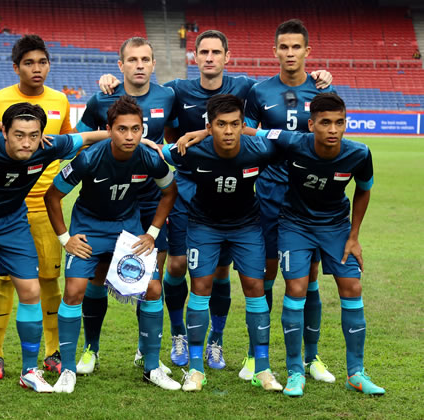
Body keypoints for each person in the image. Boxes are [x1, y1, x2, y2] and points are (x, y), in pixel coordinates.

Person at [102, 29, 332, 374]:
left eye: (216, 52)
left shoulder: (246, 88)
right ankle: (179, 333)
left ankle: (217, 340)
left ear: (227, 56)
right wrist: (110, 81)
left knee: (224, 271)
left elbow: (256, 116)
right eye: (203, 52)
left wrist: (319, 74)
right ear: (194, 57)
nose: (209, 58)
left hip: (235, 192)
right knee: (179, 266)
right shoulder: (177, 91)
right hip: (187, 188)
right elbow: (138, 95)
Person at [0, 103, 108, 398]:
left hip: (12, 223)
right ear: (4, 131)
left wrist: (140, 140)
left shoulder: (49, 147)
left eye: (34, 135)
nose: (27, 142)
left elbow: (89, 138)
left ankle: (30, 371)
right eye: (18, 135)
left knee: (31, 291)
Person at [253, 92, 384, 397]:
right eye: (325, 123)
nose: (333, 129)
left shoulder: (359, 154)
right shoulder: (292, 142)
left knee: (352, 287)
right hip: (295, 225)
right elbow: (252, 132)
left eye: (339, 122)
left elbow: (363, 191)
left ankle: (356, 373)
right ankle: (296, 371)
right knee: (296, 289)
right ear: (311, 125)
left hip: (336, 228)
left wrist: (354, 237)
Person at [46, 96, 179, 393]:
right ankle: (68, 369)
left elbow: (170, 192)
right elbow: (52, 196)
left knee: (154, 288)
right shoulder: (89, 158)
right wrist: (66, 239)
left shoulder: (149, 158)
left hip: (127, 230)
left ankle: (152, 366)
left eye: (136, 129)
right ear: (109, 129)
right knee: (74, 289)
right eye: (122, 129)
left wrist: (152, 233)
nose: (130, 136)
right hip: (89, 228)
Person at [162, 94, 283, 393]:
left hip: (247, 227)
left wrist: (237, 130)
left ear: (243, 125)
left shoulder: (260, 149)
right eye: (220, 125)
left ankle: (262, 368)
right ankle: (195, 369)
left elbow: (287, 141)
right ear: (209, 125)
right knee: (200, 289)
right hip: (204, 226)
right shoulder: (190, 150)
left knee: (256, 290)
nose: (228, 131)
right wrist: (198, 135)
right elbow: (157, 154)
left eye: (234, 124)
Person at [76, 37, 176, 373]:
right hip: (115, 200)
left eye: (145, 59)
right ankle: (91, 349)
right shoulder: (103, 97)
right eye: (131, 59)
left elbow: (175, 137)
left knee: (150, 278)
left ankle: (144, 350)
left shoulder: (168, 96)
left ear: (153, 63)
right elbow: (80, 141)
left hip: (151, 199)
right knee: (98, 275)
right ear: (120, 65)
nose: (139, 65)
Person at [244, 18, 336, 384]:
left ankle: (311, 359)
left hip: (309, 197)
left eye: (297, 47)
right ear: (275, 52)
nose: (290, 53)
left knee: (309, 276)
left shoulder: (322, 90)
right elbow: (249, 137)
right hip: (269, 193)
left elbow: (332, 138)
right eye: (284, 47)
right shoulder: (259, 92)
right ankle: (256, 358)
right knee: (265, 273)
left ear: (307, 52)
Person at [0, 34, 75, 379]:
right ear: (16, 67)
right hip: (7, 208)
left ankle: (53, 353)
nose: (37, 69)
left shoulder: (60, 100)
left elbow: (67, 144)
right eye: (29, 63)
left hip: (44, 209)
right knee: (5, 280)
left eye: (42, 62)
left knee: (50, 281)